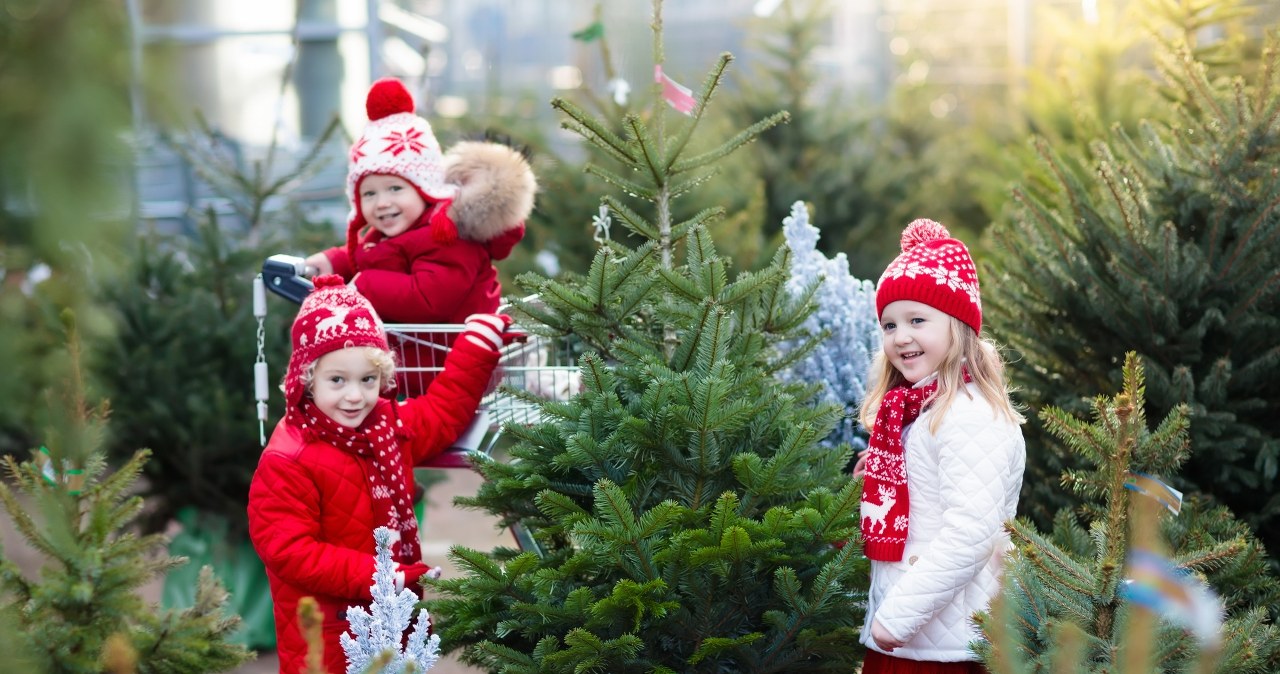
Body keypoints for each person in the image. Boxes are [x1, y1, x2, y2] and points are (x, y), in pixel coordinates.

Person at [247, 274, 516, 674]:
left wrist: (476, 349)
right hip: (328, 633)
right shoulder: (290, 457)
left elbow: (441, 414)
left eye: (367, 380)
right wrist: (384, 579)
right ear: (307, 379)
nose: (355, 395)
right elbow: (291, 551)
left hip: (392, 620)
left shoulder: (385, 428)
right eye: (337, 380)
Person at [852, 218, 1026, 674]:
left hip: (940, 646)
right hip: (910, 638)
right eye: (889, 324)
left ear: (958, 326)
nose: (900, 336)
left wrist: (896, 619)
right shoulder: (916, 412)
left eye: (917, 320)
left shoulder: (969, 414)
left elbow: (971, 531)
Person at [304, 77, 536, 393]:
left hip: (451, 371)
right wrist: (332, 262)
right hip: (418, 366)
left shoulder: (448, 237)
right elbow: (373, 255)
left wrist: (364, 287)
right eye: (369, 194)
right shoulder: (396, 231)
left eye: (395, 188)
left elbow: (429, 297)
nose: (382, 202)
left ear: (425, 188)